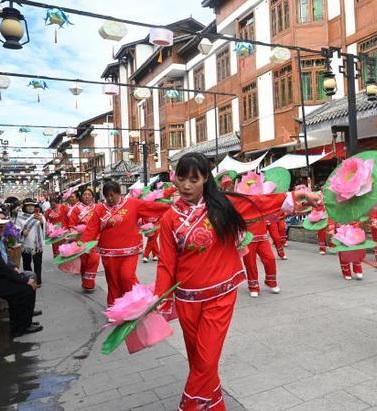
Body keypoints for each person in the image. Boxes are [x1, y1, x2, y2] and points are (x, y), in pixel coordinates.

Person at [155, 153, 321, 410]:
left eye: (193, 179)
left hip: (220, 296)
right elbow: (166, 264)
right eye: (181, 178)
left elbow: (258, 204)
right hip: (187, 299)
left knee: (206, 358)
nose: (186, 185)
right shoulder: (169, 218)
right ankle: (216, 404)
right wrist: (158, 298)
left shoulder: (222, 205)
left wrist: (298, 196)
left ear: (205, 180)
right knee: (198, 360)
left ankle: (189, 405)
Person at [79, 181, 171, 306]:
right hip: (108, 252)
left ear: (119, 193)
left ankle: (139, 302)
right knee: (113, 280)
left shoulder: (132, 203)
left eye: (112, 195)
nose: (110, 199)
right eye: (107, 196)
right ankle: (115, 306)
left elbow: (151, 207)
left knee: (126, 276)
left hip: (129, 250)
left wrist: (173, 207)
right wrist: (81, 243)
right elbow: (92, 228)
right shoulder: (100, 209)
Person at [68, 188, 100, 292]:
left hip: (95, 238)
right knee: (84, 261)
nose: (87, 196)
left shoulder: (98, 208)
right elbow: (72, 224)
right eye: (85, 194)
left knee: (94, 259)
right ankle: (85, 280)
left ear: (92, 197)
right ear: (82, 197)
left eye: (89, 194)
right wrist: (73, 235)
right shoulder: (76, 209)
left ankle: (89, 284)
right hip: (81, 238)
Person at [14, 199, 46, 286]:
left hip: (37, 244)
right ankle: (29, 279)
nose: (31, 207)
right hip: (26, 244)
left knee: (38, 263)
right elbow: (16, 228)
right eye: (28, 206)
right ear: (25, 207)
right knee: (26, 263)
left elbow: (45, 227)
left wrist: (42, 221)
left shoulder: (39, 215)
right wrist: (22, 232)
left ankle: (38, 280)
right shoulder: (20, 217)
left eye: (32, 205)